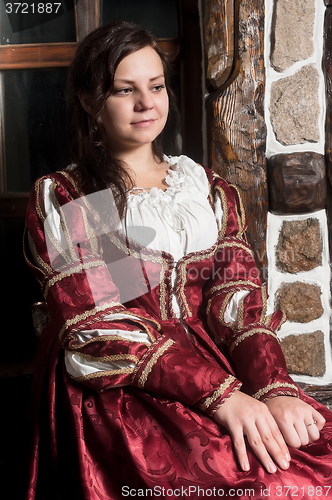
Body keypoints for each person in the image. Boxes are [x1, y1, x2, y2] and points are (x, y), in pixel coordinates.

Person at [24, 21, 332, 500]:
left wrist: (273, 387)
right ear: (89, 101)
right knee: (263, 483)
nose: (147, 103)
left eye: (156, 85)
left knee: (315, 457)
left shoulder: (204, 188)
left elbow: (236, 297)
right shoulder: (76, 195)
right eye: (125, 90)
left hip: (211, 364)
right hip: (120, 381)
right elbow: (101, 325)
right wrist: (223, 397)